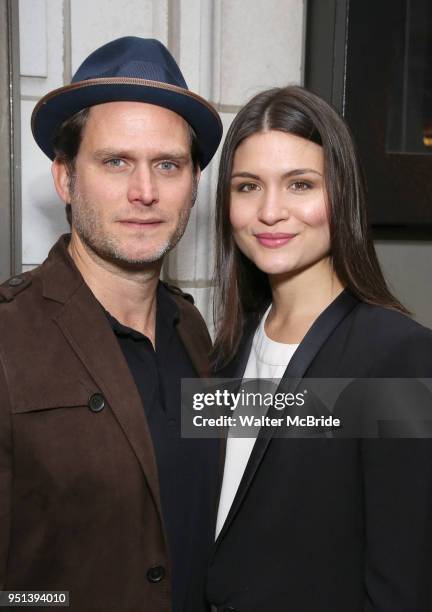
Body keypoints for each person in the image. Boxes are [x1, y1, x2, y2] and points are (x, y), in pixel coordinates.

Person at [0, 37, 222, 611]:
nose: (144, 192)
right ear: (65, 178)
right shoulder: (9, 337)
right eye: (115, 161)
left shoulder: (195, 331)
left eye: (167, 165)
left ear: (194, 185)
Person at [207, 86, 432, 611]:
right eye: (247, 186)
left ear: (342, 194)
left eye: (300, 184)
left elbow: (405, 583)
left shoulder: (397, 359)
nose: (269, 211)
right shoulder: (224, 350)